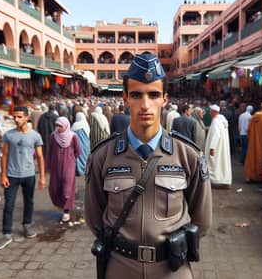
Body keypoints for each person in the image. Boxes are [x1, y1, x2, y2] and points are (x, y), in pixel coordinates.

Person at [85, 52, 212, 278]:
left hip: (172, 269)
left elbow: (201, 219)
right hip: (120, 268)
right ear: (125, 98)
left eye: (153, 95)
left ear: (165, 99)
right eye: (136, 95)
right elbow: (95, 217)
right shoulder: (103, 156)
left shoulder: (188, 155)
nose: (145, 105)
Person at [0, 106, 45, 251]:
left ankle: (27, 225)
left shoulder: (35, 136)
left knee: (29, 201)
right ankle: (6, 234)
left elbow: (40, 157)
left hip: (29, 175)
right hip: (11, 175)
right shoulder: (9, 135)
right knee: (9, 205)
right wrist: (3, 175)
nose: (16, 119)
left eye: (19, 116)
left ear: (27, 117)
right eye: (14, 117)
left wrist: (42, 177)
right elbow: (4, 156)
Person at [47, 117, 81, 222]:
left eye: (60, 126)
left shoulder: (73, 136)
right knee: (54, 188)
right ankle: (60, 205)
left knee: (67, 189)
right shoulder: (53, 136)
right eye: (56, 125)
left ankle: (66, 211)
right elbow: (50, 151)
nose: (58, 128)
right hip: (55, 166)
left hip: (69, 166)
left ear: (66, 126)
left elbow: (77, 151)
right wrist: (48, 165)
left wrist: (70, 160)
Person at [244, 102, 262, 183]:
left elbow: (248, 131)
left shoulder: (253, 117)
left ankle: (250, 176)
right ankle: (260, 177)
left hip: (253, 143)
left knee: (252, 159)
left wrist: (252, 140)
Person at [205, 104, 232, 189]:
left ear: (214, 112)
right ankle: (223, 180)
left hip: (217, 147)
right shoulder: (221, 120)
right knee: (221, 164)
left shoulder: (216, 121)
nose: (209, 113)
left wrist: (212, 147)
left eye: (210, 111)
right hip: (220, 147)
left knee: (216, 165)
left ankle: (218, 180)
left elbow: (216, 135)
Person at [71, 112, 90, 176]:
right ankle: (86, 169)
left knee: (78, 157)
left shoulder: (74, 125)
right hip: (86, 144)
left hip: (77, 144)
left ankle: (79, 170)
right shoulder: (86, 124)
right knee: (85, 157)